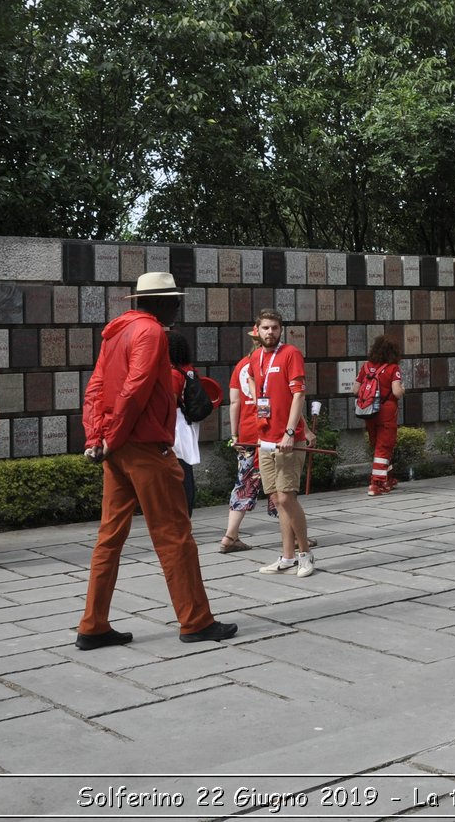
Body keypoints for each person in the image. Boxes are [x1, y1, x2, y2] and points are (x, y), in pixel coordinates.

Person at [77, 272, 234, 648]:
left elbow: (96, 388)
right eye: (174, 299)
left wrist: (97, 436)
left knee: (108, 539)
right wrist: (111, 437)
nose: (178, 306)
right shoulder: (150, 334)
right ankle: (195, 621)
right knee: (175, 537)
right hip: (144, 447)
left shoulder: (115, 334)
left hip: (119, 451)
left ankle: (93, 624)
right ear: (159, 302)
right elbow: (135, 390)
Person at [250, 309, 315, 578]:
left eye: (275, 328)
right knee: (277, 499)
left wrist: (291, 432)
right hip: (265, 440)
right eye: (265, 328)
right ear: (257, 330)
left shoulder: (290, 354)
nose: (270, 332)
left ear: (281, 330)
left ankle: (305, 554)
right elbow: (255, 386)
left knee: (288, 496)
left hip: (288, 439)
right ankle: (287, 556)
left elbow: (298, 395)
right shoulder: (255, 357)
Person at [220, 324, 267, 553]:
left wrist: (234, 434)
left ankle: (230, 536)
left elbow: (235, 402)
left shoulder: (241, 365)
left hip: (246, 432)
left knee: (244, 483)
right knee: (279, 486)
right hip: (267, 432)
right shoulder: (266, 363)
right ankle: (296, 537)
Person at [360, 334, 405, 496]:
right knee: (384, 447)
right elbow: (396, 392)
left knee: (378, 446)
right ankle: (376, 484)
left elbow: (355, 390)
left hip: (369, 412)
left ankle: (389, 477)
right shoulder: (393, 369)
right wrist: (403, 389)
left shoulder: (366, 367)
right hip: (386, 413)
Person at [168, 331, 203, 516]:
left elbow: (170, 402)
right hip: (187, 422)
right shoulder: (188, 368)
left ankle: (183, 514)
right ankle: (185, 512)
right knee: (185, 468)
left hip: (176, 423)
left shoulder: (174, 373)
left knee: (180, 470)